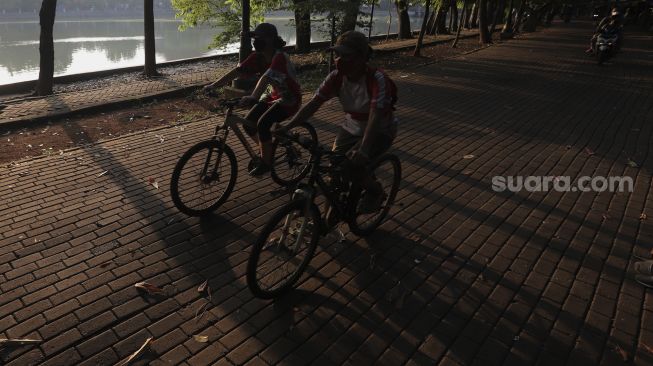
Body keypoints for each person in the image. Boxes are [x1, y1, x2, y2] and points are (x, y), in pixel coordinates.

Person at [281, 30, 398, 214]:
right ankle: (329, 218)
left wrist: (364, 149)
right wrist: (287, 126)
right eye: (337, 54)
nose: (339, 59)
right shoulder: (335, 78)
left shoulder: (376, 79)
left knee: (352, 167)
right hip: (351, 127)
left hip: (380, 129)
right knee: (333, 171)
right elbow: (313, 104)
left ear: (361, 57)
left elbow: (375, 116)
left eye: (346, 55)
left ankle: (376, 191)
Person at [205, 23, 301, 176]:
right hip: (271, 95)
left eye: (259, 38)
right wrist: (213, 85)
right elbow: (238, 71)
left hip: (288, 98)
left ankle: (266, 162)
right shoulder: (258, 56)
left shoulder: (280, 57)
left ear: (270, 39)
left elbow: (266, 77)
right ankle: (267, 150)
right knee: (249, 123)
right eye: (254, 38)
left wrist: (253, 96)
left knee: (263, 124)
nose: (255, 41)